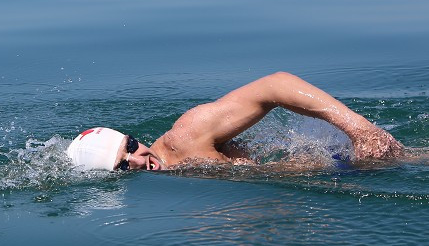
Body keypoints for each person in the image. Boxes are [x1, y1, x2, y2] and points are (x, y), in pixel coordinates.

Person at [65, 71, 403, 172]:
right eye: (123, 167)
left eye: (131, 147)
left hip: (348, 163)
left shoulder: (186, 138)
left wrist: (361, 131)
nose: (139, 159)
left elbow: (276, 85)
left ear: (134, 137)